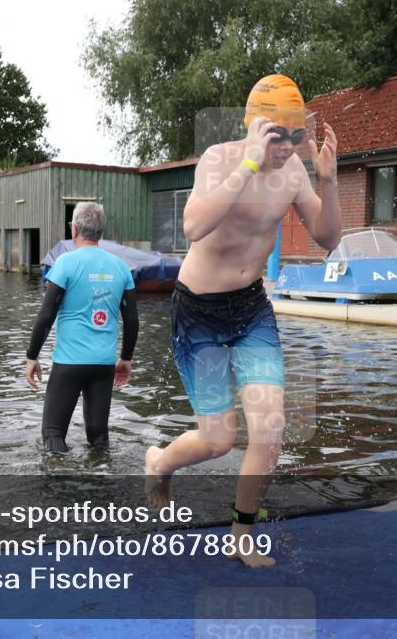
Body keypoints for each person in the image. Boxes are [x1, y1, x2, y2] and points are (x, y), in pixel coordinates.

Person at [144, 74, 341, 568]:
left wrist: (328, 181)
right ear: (254, 127)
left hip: (251, 308)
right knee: (218, 439)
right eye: (277, 136)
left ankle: (241, 534)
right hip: (199, 311)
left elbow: (328, 239)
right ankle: (159, 462)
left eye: (296, 136)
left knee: (270, 427)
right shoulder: (219, 159)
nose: (287, 147)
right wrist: (249, 163)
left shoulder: (294, 172)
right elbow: (193, 226)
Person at [25, 202, 138, 453]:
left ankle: (59, 476)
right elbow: (131, 320)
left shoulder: (65, 263)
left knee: (53, 435)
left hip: (69, 363)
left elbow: (46, 315)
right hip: (103, 365)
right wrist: (126, 358)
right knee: (99, 439)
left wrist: (32, 356)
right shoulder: (121, 267)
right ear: (101, 230)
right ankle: (101, 476)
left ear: (74, 229)